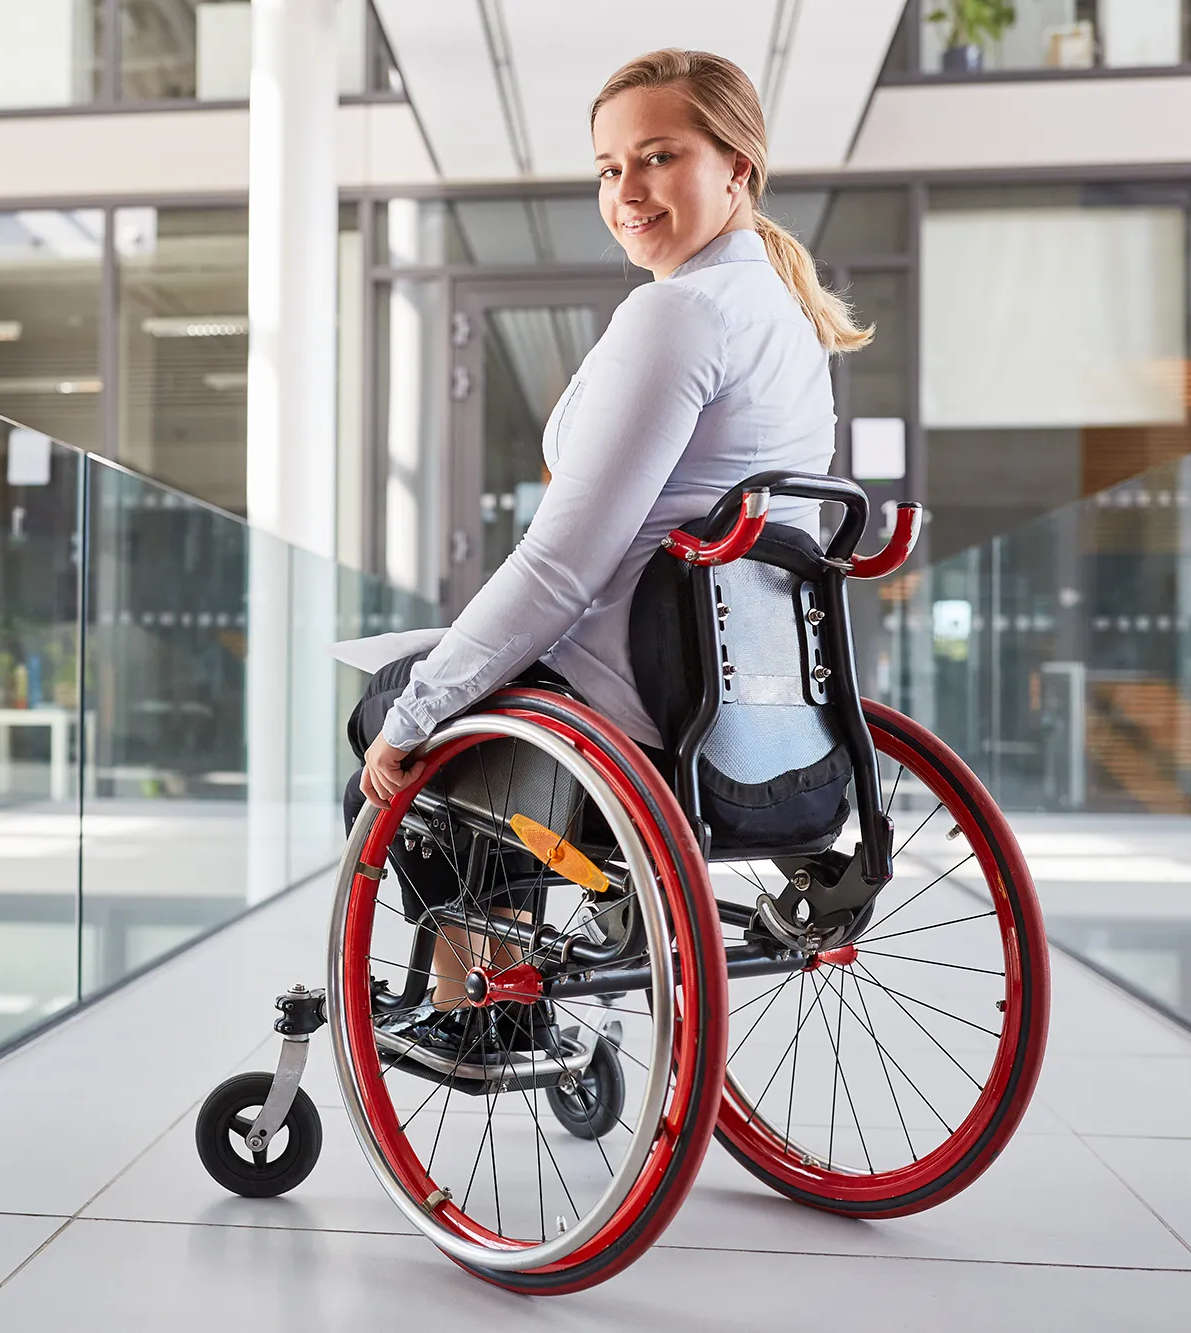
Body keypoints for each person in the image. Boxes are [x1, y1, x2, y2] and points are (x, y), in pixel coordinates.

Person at [345, 48, 873, 1056]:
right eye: (605, 168)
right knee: (450, 694)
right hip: (757, 713)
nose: (624, 191)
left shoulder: (680, 312)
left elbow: (560, 566)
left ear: (735, 169)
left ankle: (482, 1009)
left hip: (638, 700)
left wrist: (416, 712)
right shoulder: (784, 319)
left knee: (387, 719)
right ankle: (530, 959)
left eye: (656, 157)